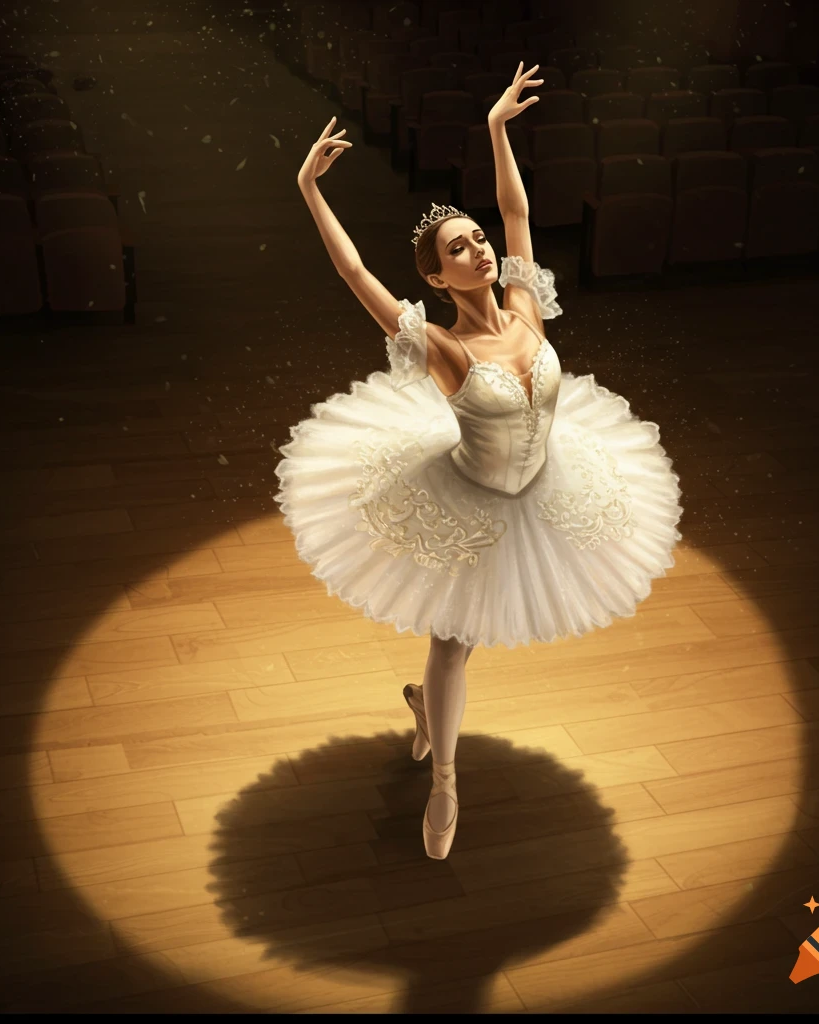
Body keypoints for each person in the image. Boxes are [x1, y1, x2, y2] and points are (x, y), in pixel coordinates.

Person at [276, 63, 683, 860]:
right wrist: (310, 191)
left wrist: (496, 129)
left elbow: (515, 208)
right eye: (458, 250)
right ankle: (445, 780)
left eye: (479, 241)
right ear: (435, 276)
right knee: (457, 638)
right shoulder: (441, 346)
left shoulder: (529, 302)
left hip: (544, 485)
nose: (480, 250)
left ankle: (427, 713)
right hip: (469, 494)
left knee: (464, 643)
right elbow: (356, 275)